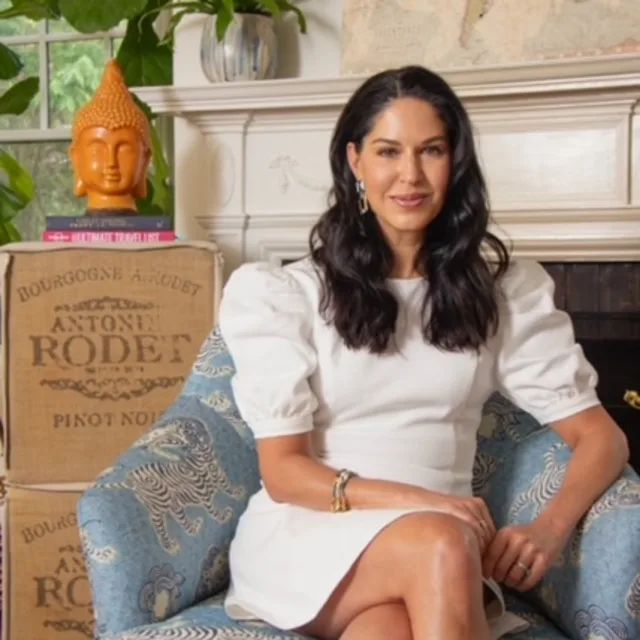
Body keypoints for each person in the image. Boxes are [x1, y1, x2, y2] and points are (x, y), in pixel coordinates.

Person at [218, 65, 629, 640]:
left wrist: (548, 529)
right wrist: (422, 503)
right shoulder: (290, 293)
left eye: (430, 151)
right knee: (440, 541)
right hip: (309, 535)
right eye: (388, 152)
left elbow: (601, 436)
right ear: (355, 161)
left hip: (438, 551)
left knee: (386, 629)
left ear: (454, 161)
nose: (409, 175)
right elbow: (284, 473)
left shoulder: (500, 295)